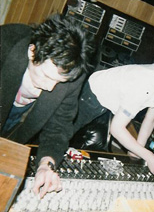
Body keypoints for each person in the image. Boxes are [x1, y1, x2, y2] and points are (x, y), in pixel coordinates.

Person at [1, 14, 96, 198]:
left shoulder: (71, 74)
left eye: (58, 81)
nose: (50, 87)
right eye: (46, 76)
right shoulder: (4, 43)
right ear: (32, 51)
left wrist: (46, 164)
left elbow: (58, 128)